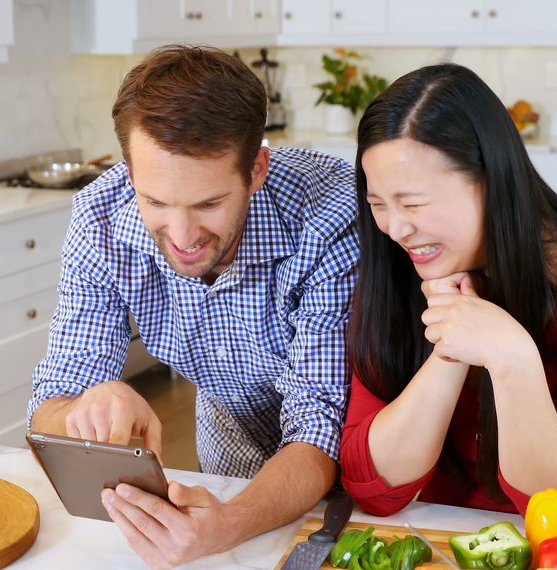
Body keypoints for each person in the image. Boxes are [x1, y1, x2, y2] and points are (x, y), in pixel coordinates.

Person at [28, 45, 358, 567]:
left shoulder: (328, 217)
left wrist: (229, 522)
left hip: (357, 446)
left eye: (208, 204)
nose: (182, 237)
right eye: (155, 202)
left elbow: (321, 426)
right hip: (227, 427)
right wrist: (84, 408)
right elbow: (51, 404)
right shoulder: (100, 217)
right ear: (130, 171)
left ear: (256, 169)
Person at [339, 63, 557, 533]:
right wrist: (450, 349)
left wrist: (512, 358)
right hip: (456, 534)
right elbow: (375, 487)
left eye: (414, 204)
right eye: (379, 205)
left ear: (492, 183)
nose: (396, 229)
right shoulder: (394, 268)